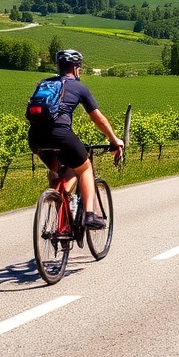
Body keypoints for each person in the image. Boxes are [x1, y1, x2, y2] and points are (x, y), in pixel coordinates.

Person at [27, 49, 123, 230]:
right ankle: (89, 214)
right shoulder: (79, 87)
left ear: (58, 66)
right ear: (76, 67)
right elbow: (98, 119)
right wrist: (114, 139)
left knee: (60, 171)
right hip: (61, 135)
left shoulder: (44, 84)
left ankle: (59, 210)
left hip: (35, 138)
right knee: (85, 167)